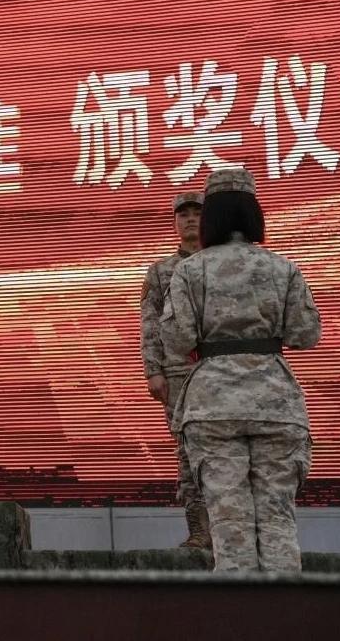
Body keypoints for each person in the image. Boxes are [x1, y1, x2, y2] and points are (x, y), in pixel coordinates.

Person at [161, 168, 321, 572]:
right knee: (279, 519)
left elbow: (176, 339)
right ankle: (286, 608)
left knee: (228, 525)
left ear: (211, 217)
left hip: (212, 406)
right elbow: (306, 334)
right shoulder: (283, 268)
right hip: (276, 404)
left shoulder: (189, 270)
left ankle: (239, 608)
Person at [140, 191, 211, 549]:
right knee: (187, 450)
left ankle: (231, 529)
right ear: (174, 222)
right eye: (183, 214)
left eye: (197, 212)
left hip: (222, 369)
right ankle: (200, 530)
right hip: (179, 373)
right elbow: (150, 324)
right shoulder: (160, 271)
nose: (190, 219)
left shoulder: (221, 263)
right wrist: (154, 370)